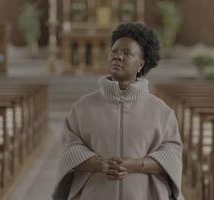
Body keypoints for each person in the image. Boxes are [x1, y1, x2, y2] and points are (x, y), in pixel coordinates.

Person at [52, 22, 184, 200]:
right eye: (114, 52)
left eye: (127, 53)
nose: (118, 57)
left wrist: (137, 165)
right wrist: (100, 164)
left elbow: (172, 155)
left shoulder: (161, 111)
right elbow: (70, 149)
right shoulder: (83, 107)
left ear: (141, 64)